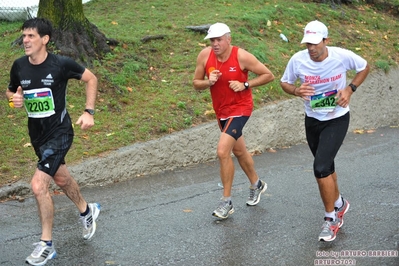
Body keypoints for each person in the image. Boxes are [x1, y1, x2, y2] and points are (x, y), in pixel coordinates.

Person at [6, 18, 101, 265]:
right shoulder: (18, 66)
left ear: (45, 39)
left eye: (30, 36)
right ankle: (86, 210)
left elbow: (91, 78)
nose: (25, 40)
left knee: (39, 185)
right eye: (24, 36)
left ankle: (46, 245)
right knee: (60, 178)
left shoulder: (60, 64)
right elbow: (11, 91)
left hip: (60, 133)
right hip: (37, 136)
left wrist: (89, 111)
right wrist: (12, 100)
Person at [280, 20, 370, 241]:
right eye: (307, 43)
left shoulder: (340, 56)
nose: (311, 48)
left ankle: (331, 219)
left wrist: (350, 89)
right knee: (326, 166)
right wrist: (295, 90)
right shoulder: (298, 60)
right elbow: (284, 82)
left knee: (320, 168)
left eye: (315, 43)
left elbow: (364, 66)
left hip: (336, 118)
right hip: (312, 120)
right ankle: (340, 203)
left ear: (325, 41)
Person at [193, 22, 275, 219]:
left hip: (240, 109)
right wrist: (208, 82)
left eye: (219, 39)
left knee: (223, 151)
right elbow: (196, 84)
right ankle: (257, 184)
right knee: (239, 150)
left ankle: (226, 202)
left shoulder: (241, 56)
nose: (215, 44)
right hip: (221, 111)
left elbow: (268, 75)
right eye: (212, 40)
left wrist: (245, 84)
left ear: (228, 39)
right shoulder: (205, 56)